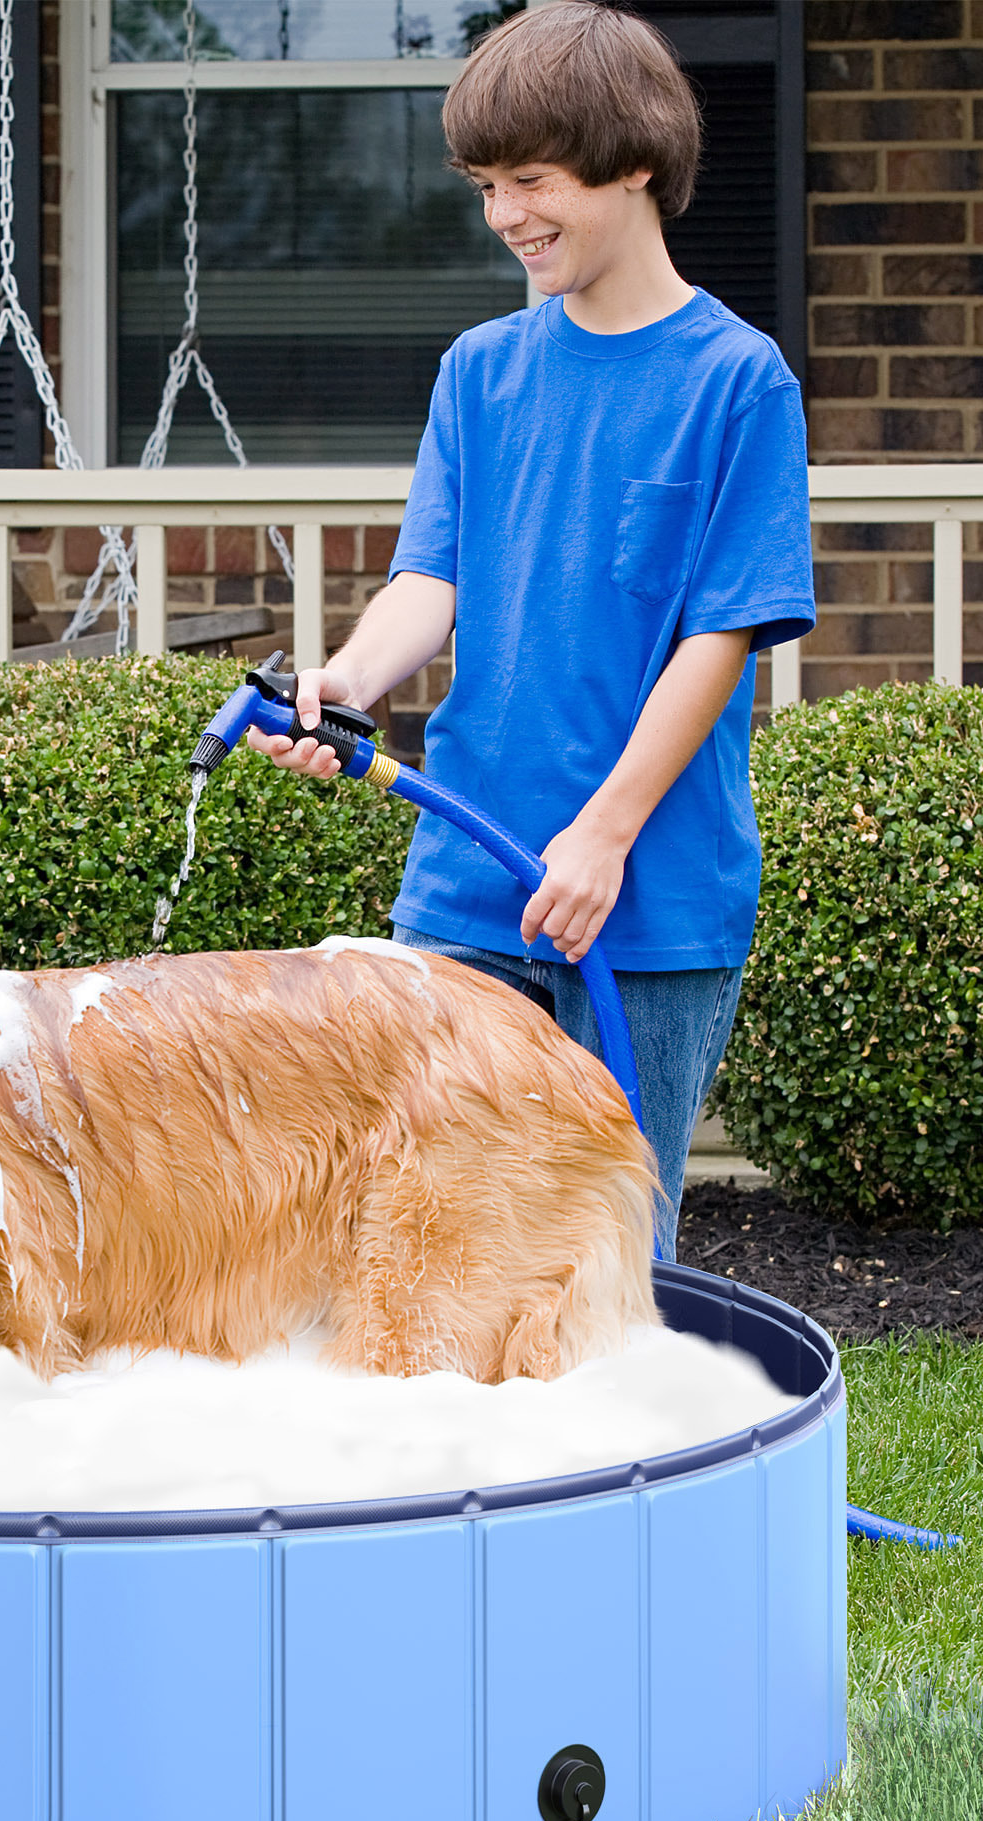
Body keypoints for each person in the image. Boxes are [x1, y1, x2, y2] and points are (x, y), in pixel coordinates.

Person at [254, 1, 813, 1254]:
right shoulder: (480, 372)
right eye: (482, 186)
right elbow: (429, 581)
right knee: (435, 1228)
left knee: (607, 1247)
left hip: (650, 895)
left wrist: (604, 836)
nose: (504, 214)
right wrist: (338, 680)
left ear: (633, 164)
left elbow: (713, 643)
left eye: (530, 179)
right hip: (466, 879)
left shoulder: (735, 382)